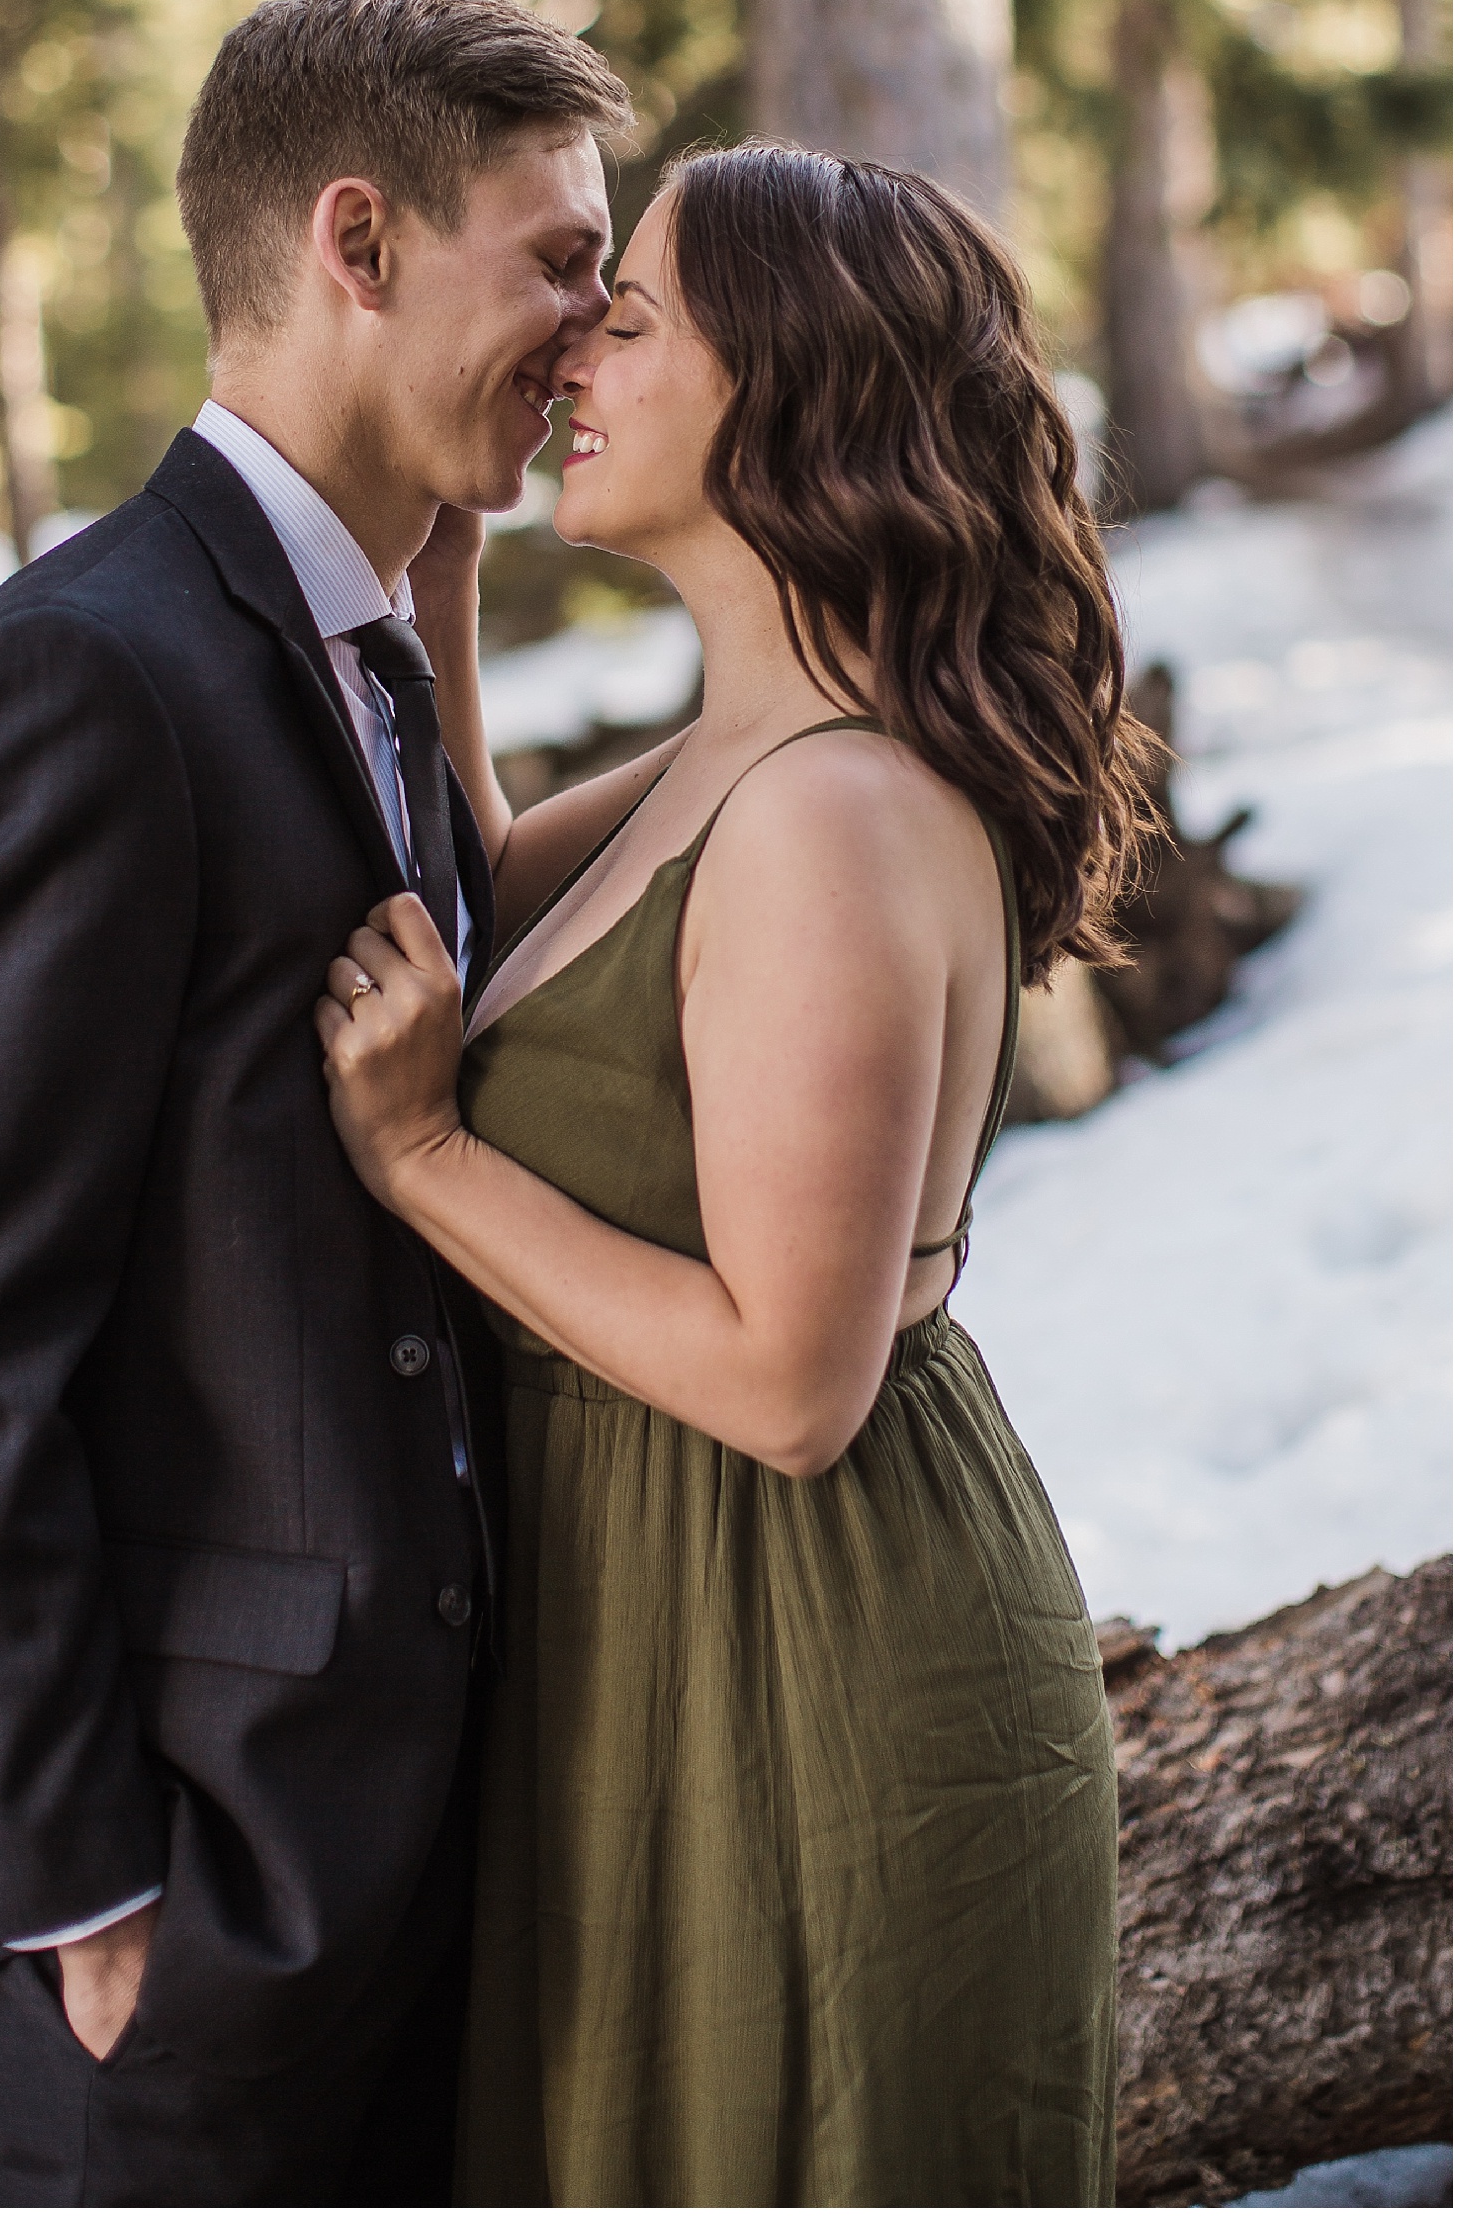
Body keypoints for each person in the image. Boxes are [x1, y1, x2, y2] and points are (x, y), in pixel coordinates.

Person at [0, 0, 629, 2207]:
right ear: (359, 241)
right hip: (195, 1906)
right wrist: (80, 1894)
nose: (595, 329)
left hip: (402, 1858)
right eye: (560, 261)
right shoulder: (88, 675)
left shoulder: (365, 644)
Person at [317, 139, 1158, 2207]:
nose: (579, 345)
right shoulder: (742, 753)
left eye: (641, 311)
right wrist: (437, 565)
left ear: (788, 386)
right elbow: (491, 906)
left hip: (806, 1640)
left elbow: (794, 1381)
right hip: (674, 1621)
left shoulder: (831, 813)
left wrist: (422, 1154)